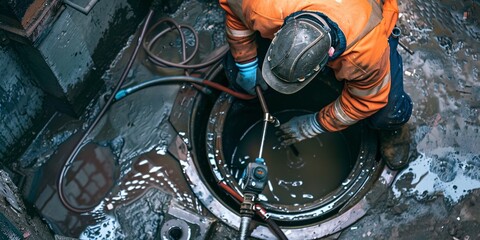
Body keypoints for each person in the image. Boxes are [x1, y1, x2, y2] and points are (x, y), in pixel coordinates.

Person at [219, 0, 413, 170]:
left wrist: (315, 124)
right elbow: (234, 10)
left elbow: (366, 99)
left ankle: (393, 129)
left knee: (387, 113)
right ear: (280, 31)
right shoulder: (264, 7)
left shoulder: (365, 56)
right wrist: (246, 64)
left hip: (369, 19)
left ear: (327, 57)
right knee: (233, 69)